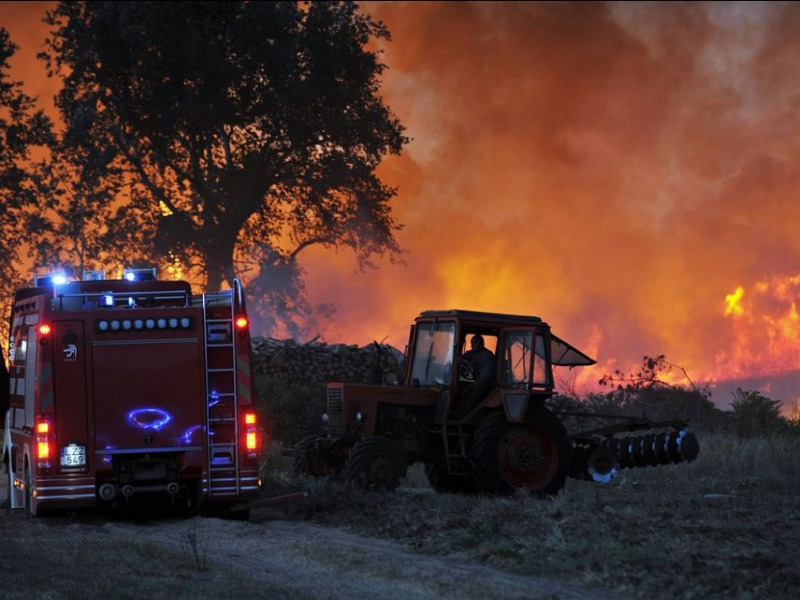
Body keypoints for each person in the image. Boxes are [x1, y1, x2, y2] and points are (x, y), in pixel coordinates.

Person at [453, 334, 495, 418]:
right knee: (460, 383)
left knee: (478, 388)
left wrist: (469, 387)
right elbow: (460, 358)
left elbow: (484, 379)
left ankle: (464, 412)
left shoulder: (487, 356)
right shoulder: (473, 353)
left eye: (475, 343)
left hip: (488, 383)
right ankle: (454, 407)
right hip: (477, 380)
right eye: (471, 343)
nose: (472, 345)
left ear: (481, 344)